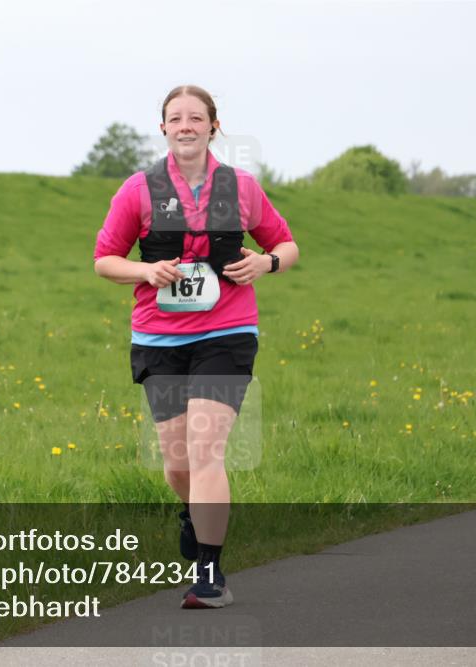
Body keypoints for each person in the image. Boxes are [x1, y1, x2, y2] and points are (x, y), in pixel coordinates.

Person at [93, 85, 299, 609]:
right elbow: (105, 259)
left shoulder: (242, 187)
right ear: (162, 128)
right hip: (158, 338)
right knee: (177, 463)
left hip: (227, 333)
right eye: (175, 118)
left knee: (207, 450)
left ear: (214, 126)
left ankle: (210, 574)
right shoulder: (138, 190)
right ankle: (191, 512)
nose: (186, 125)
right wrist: (144, 269)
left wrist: (266, 263)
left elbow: (286, 243)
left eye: (196, 117)